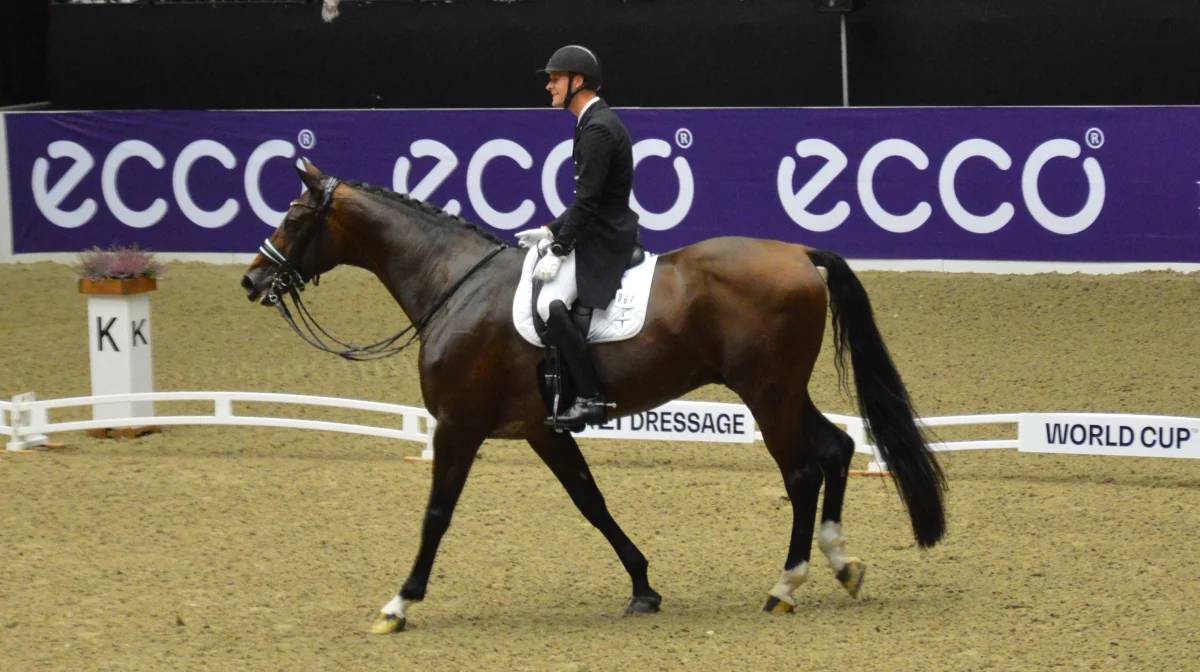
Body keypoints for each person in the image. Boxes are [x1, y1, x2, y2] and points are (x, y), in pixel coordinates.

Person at [516, 44, 641, 428]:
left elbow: (588, 202)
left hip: (605, 236)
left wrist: (559, 247)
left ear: (577, 81)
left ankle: (590, 397)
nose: (549, 87)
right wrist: (549, 229)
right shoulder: (590, 122)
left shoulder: (599, 128)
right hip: (599, 225)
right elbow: (588, 200)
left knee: (549, 305)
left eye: (555, 79)